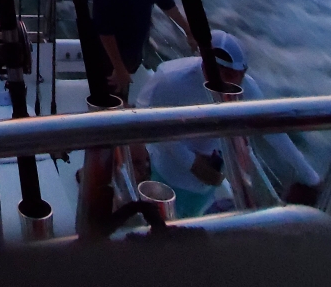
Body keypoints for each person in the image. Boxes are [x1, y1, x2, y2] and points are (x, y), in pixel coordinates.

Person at [137, 29, 322, 218]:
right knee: (167, 223)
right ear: (209, 67)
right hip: (171, 169)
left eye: (240, 75)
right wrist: (191, 162)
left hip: (211, 172)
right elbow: (152, 122)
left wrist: (310, 177)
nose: (236, 84)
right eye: (229, 75)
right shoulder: (170, 79)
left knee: (195, 218)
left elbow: (272, 129)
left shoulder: (245, 86)